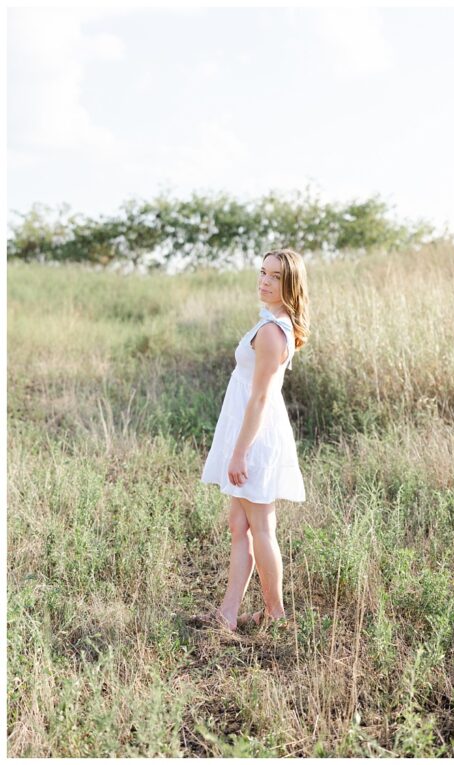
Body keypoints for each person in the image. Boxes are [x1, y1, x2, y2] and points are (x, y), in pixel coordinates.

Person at [198, 248, 309, 632]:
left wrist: (239, 453)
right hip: (248, 430)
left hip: (255, 438)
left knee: (261, 525)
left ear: (290, 284)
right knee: (238, 522)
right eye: (263, 272)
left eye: (275, 276)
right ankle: (228, 614)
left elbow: (260, 397)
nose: (264, 280)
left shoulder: (271, 332)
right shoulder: (273, 323)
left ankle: (276, 616)